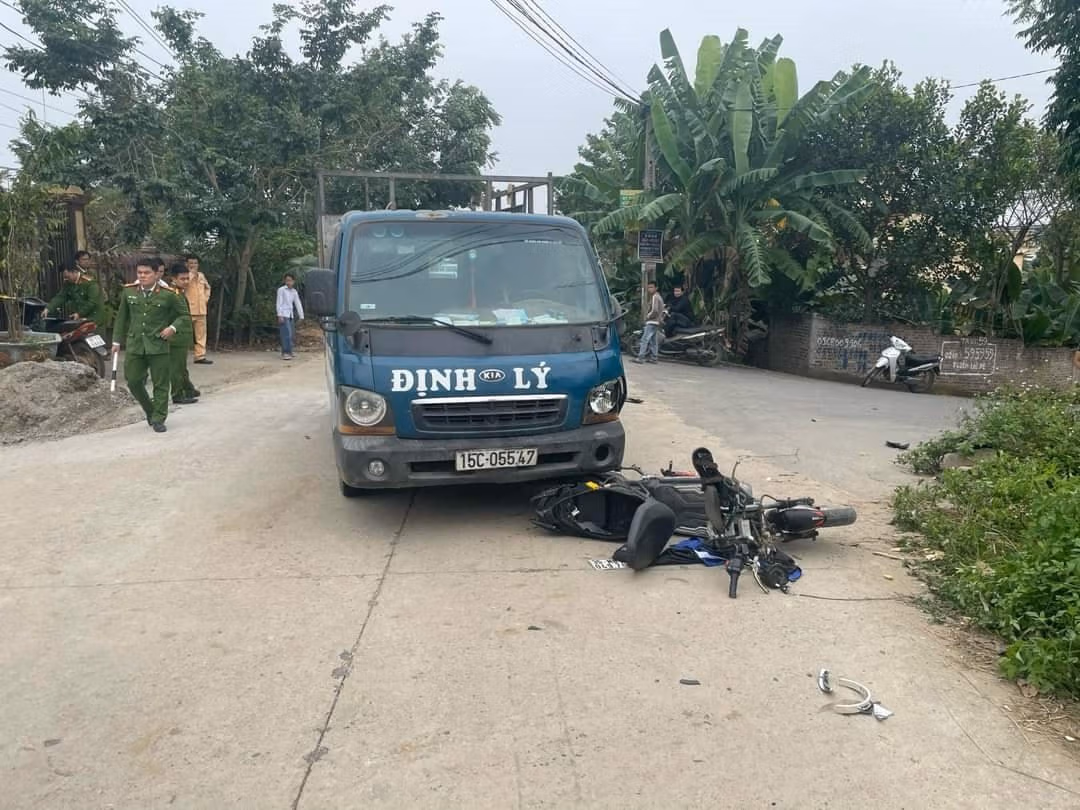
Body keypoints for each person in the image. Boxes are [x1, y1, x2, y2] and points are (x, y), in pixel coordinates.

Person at [111, 257, 188, 433]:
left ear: (156, 274)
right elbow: (121, 317)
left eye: (146, 273)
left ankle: (159, 418)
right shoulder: (129, 292)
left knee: (161, 383)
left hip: (158, 343)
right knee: (133, 381)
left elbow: (184, 316)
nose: (142, 276)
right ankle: (150, 410)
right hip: (135, 343)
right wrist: (116, 341)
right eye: (139, 272)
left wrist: (172, 328)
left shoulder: (169, 294)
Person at [165, 263, 200, 405]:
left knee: (182, 366)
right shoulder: (173, 294)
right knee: (176, 368)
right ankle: (177, 394)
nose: (186, 281)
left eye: (187, 278)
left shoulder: (179, 292)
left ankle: (188, 388)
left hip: (182, 336)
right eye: (182, 279)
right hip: (176, 337)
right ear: (174, 279)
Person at [40, 262, 108, 326]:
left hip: (94, 317)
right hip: (81, 318)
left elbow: (92, 302)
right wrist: (48, 309)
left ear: (75, 272)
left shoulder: (89, 283)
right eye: (64, 277)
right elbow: (61, 297)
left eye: (68, 277)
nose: (66, 279)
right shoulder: (68, 284)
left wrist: (79, 313)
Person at [184, 253, 213, 364]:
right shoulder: (184, 276)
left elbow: (207, 287)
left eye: (195, 263)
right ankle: (181, 355)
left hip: (201, 310)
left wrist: (205, 299)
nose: (193, 265)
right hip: (188, 310)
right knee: (184, 334)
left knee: (201, 335)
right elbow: (182, 287)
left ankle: (200, 356)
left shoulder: (201, 275)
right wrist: (191, 275)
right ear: (186, 264)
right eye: (190, 263)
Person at [633, 281, 664, 364]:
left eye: (651, 287)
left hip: (652, 322)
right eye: (649, 287)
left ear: (656, 288)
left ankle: (640, 357)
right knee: (653, 341)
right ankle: (654, 358)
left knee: (644, 339)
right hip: (657, 322)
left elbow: (655, 310)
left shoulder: (655, 297)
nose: (650, 289)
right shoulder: (659, 297)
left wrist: (648, 316)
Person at [275, 273, 305, 360]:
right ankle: (285, 352)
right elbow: (279, 303)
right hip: (283, 314)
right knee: (286, 334)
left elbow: (298, 303)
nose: (288, 282)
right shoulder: (281, 290)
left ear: (293, 281)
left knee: (291, 334)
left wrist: (301, 316)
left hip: (290, 314)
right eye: (287, 280)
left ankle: (290, 351)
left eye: (290, 280)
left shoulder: (294, 291)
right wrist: (280, 315)